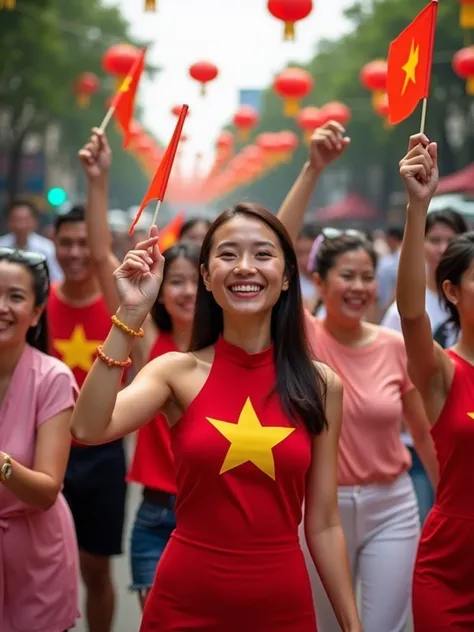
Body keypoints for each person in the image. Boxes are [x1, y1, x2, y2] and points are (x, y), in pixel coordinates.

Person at [70, 205, 362, 631]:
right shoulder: (175, 372)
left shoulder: (321, 386)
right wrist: (129, 315)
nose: (245, 267)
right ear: (206, 276)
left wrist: (352, 624)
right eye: (228, 255)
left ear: (286, 277)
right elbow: (87, 427)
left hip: (282, 605)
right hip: (184, 602)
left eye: (263, 254)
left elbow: (323, 523)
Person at [277, 121, 438, 632]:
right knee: (324, 626)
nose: (359, 286)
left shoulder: (396, 345)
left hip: (392, 505)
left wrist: (450, 504)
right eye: (346, 275)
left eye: (368, 276)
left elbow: (426, 434)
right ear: (318, 282)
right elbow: (276, 249)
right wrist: (313, 167)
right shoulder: (301, 337)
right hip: (317, 511)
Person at [397, 134, 474, 629]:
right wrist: (416, 208)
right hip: (450, 569)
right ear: (450, 289)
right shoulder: (441, 371)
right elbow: (409, 315)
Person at [47, 206, 127, 632]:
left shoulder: (119, 307)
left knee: (96, 570)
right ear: (53, 245)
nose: (76, 252)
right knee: (39, 566)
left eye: (84, 243)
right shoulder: (34, 304)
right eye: (66, 243)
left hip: (101, 455)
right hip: (42, 454)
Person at [0, 247, 79, 632]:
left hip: (35, 558)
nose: (1, 307)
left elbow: (47, 490)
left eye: (15, 296)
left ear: (35, 313)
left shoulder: (54, 378)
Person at [382, 208, 467, 525]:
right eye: (434, 239)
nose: (443, 248)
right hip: (417, 444)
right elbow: (411, 316)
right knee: (426, 521)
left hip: (463, 443)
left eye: (451, 239)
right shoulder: (400, 314)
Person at [0, 199, 63, 282]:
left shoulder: (47, 248)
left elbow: (57, 278)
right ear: (8, 222)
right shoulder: (1, 247)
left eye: (25, 220)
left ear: (35, 222)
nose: (20, 225)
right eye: (16, 220)